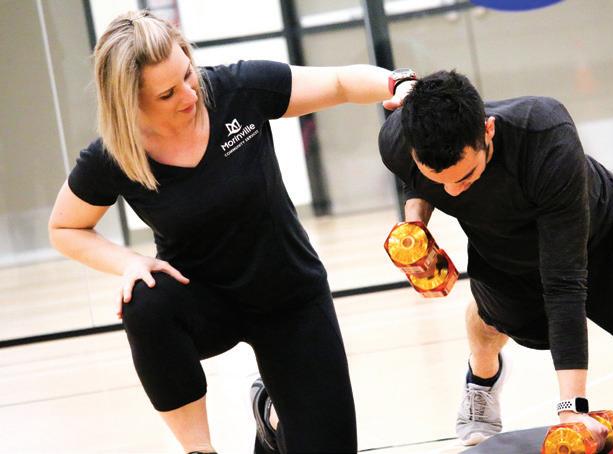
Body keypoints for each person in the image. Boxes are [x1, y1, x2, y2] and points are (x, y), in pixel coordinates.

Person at [48, 10, 415, 454]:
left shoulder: (237, 91)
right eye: (167, 93)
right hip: (204, 302)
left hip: (288, 296)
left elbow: (338, 83)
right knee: (144, 301)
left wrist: (397, 84)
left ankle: (272, 416)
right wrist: (128, 262)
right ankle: (199, 450)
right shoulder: (115, 154)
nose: (189, 94)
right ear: (131, 102)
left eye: (187, 74)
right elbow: (65, 227)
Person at [378, 70, 613, 448]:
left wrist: (571, 410)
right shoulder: (398, 140)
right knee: (491, 321)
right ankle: (481, 381)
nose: (452, 191)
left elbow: (564, 284)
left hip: (597, 232)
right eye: (440, 180)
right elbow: (415, 181)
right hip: (501, 245)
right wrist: (416, 225)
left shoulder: (546, 137)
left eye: (466, 176)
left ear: (488, 130)